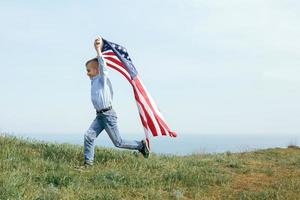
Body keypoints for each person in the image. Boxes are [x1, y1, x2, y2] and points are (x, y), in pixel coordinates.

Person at [83, 36, 149, 166]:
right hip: (100, 115)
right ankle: (88, 164)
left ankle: (141, 146)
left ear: (97, 70)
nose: (87, 73)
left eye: (89, 70)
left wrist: (98, 50)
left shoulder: (102, 79)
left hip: (108, 115)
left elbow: (102, 65)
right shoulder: (93, 81)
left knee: (118, 142)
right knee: (88, 136)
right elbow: (96, 69)